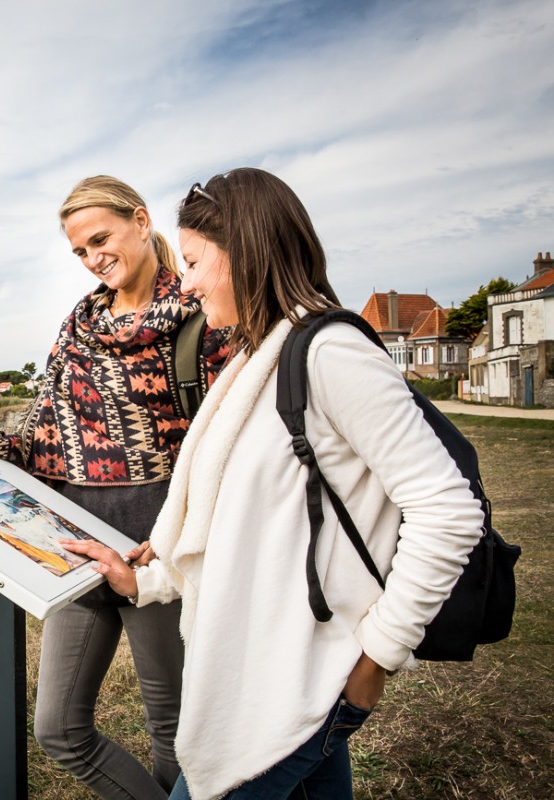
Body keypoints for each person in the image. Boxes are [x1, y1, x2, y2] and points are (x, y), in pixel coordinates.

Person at [61, 168, 484, 800]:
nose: (191, 279)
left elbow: (448, 511)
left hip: (300, 682)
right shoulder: (258, 356)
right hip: (271, 674)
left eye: (200, 261)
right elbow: (244, 523)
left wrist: (379, 654)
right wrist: (146, 580)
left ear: (248, 254)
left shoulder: (329, 354)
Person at [0, 175, 229, 799]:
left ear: (140, 221)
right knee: (57, 728)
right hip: (75, 544)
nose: (92, 258)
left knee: (173, 728)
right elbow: (48, 432)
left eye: (100, 239)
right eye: (80, 251)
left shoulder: (200, 315)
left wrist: (188, 539)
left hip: (155, 545)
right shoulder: (79, 323)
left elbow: (226, 444)